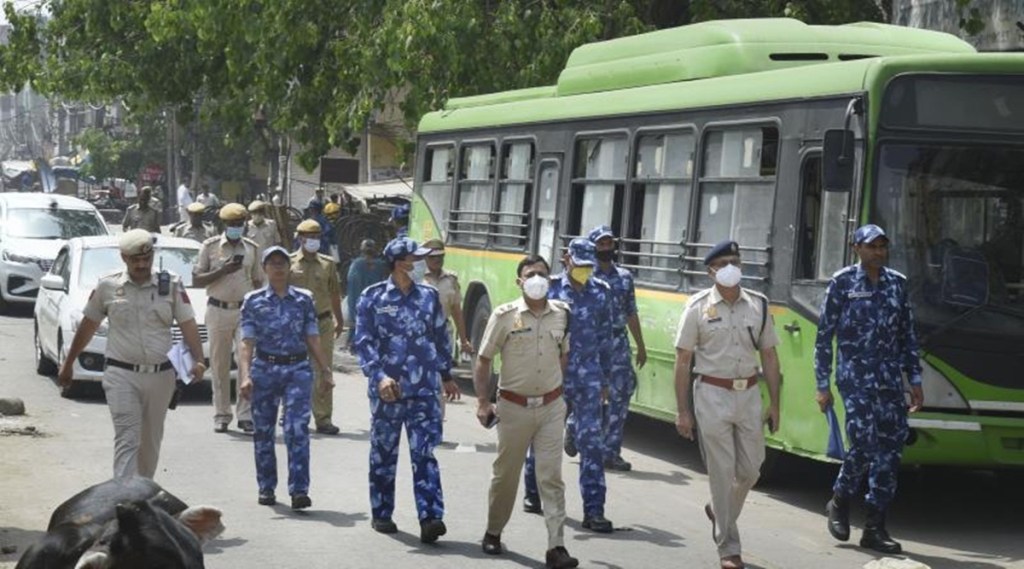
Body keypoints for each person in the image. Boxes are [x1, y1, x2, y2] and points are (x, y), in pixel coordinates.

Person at [57, 229, 206, 479]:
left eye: (146, 259)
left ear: (152, 256)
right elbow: (88, 325)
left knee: (149, 444)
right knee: (128, 438)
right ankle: (122, 498)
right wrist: (69, 362)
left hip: (161, 376)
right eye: (135, 260)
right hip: (121, 374)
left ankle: (142, 498)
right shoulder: (108, 285)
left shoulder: (171, 285)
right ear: (123, 258)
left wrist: (199, 360)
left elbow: (188, 323)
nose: (141, 265)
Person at [815, 224, 923, 555]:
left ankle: (875, 527)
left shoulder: (897, 284)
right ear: (856, 248)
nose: (878, 251)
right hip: (855, 379)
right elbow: (824, 337)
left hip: (889, 381)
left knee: (890, 452)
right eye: (871, 246)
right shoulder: (843, 282)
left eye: (882, 246)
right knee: (862, 444)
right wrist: (822, 384)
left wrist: (914, 380)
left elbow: (907, 334)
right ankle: (840, 500)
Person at [673, 239, 781, 569]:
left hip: (748, 394)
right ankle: (728, 547)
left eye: (735, 261)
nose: (730, 268)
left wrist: (775, 404)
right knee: (722, 471)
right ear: (711, 272)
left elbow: (770, 357)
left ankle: (719, 510)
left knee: (750, 470)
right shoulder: (697, 307)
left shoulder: (758, 305)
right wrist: (683, 410)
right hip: (711, 394)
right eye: (723, 264)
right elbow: (682, 360)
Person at [354, 237, 461, 544]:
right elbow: (363, 342)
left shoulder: (428, 296)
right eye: (414, 258)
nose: (418, 264)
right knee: (384, 454)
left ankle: (430, 517)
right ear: (398, 261)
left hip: (424, 390)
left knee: (425, 454)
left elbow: (440, 337)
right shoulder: (372, 297)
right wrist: (378, 377)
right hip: (389, 392)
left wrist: (447, 374)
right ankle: (382, 511)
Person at [474, 255, 579, 569]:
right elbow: (483, 360)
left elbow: (564, 355)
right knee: (506, 476)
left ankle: (556, 547)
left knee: (552, 477)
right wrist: (483, 402)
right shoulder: (504, 316)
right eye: (530, 274)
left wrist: (555, 388)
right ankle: (493, 532)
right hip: (513, 407)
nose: (537, 279)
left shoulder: (563, 314)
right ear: (519, 281)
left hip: (550, 407)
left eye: (542, 274)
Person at [524, 238, 615, 532]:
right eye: (580, 264)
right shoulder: (548, 289)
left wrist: (605, 379)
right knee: (544, 439)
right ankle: (533, 491)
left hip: (588, 378)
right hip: (552, 377)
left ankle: (594, 510)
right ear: (567, 259)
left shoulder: (602, 293)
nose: (585, 271)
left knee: (592, 444)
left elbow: (606, 340)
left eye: (590, 266)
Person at [238, 246, 334, 510]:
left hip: (297, 369)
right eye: (273, 263)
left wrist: (325, 370)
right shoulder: (253, 300)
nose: (278, 267)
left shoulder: (304, 299)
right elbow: (247, 342)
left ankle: (299, 489)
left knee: (296, 429)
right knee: (264, 431)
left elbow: (312, 336)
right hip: (265, 369)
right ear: (265, 268)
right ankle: (266, 487)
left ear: (289, 267)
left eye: (282, 263)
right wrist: (245, 376)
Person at [194, 203, 263, 434]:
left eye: (239, 224)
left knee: (247, 362)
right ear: (224, 225)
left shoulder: (252, 248)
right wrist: (222, 270)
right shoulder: (210, 246)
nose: (236, 227)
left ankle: (245, 414)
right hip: (218, 310)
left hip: (245, 311)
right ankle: (222, 414)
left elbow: (257, 281)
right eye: (232, 224)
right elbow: (197, 279)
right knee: (219, 364)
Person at [587, 225, 647, 472]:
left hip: (618, 342)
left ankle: (611, 453)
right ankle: (574, 426)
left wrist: (641, 346)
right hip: (590, 341)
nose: (605, 248)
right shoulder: (584, 275)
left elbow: (631, 312)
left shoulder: (624, 277)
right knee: (589, 394)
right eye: (600, 244)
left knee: (621, 395)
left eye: (608, 243)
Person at [290, 219, 344, 435]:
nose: (313, 241)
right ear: (300, 238)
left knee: (324, 369)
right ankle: (293, 414)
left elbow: (334, 293)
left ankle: (323, 418)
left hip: (322, 322)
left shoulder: (328, 263)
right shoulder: (289, 261)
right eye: (309, 237)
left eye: (316, 237)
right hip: (296, 324)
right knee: (294, 370)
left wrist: (339, 319)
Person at [422, 239, 474, 357]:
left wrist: (463, 340)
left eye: (440, 256)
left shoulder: (451, 279)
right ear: (425, 258)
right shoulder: (417, 279)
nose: (437, 260)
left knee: (443, 370)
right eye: (432, 257)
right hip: (421, 332)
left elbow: (457, 311)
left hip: (444, 332)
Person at [345, 239, 389, 349]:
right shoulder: (381, 265)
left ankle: (355, 340)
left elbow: (352, 286)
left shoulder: (356, 264)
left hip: (358, 300)